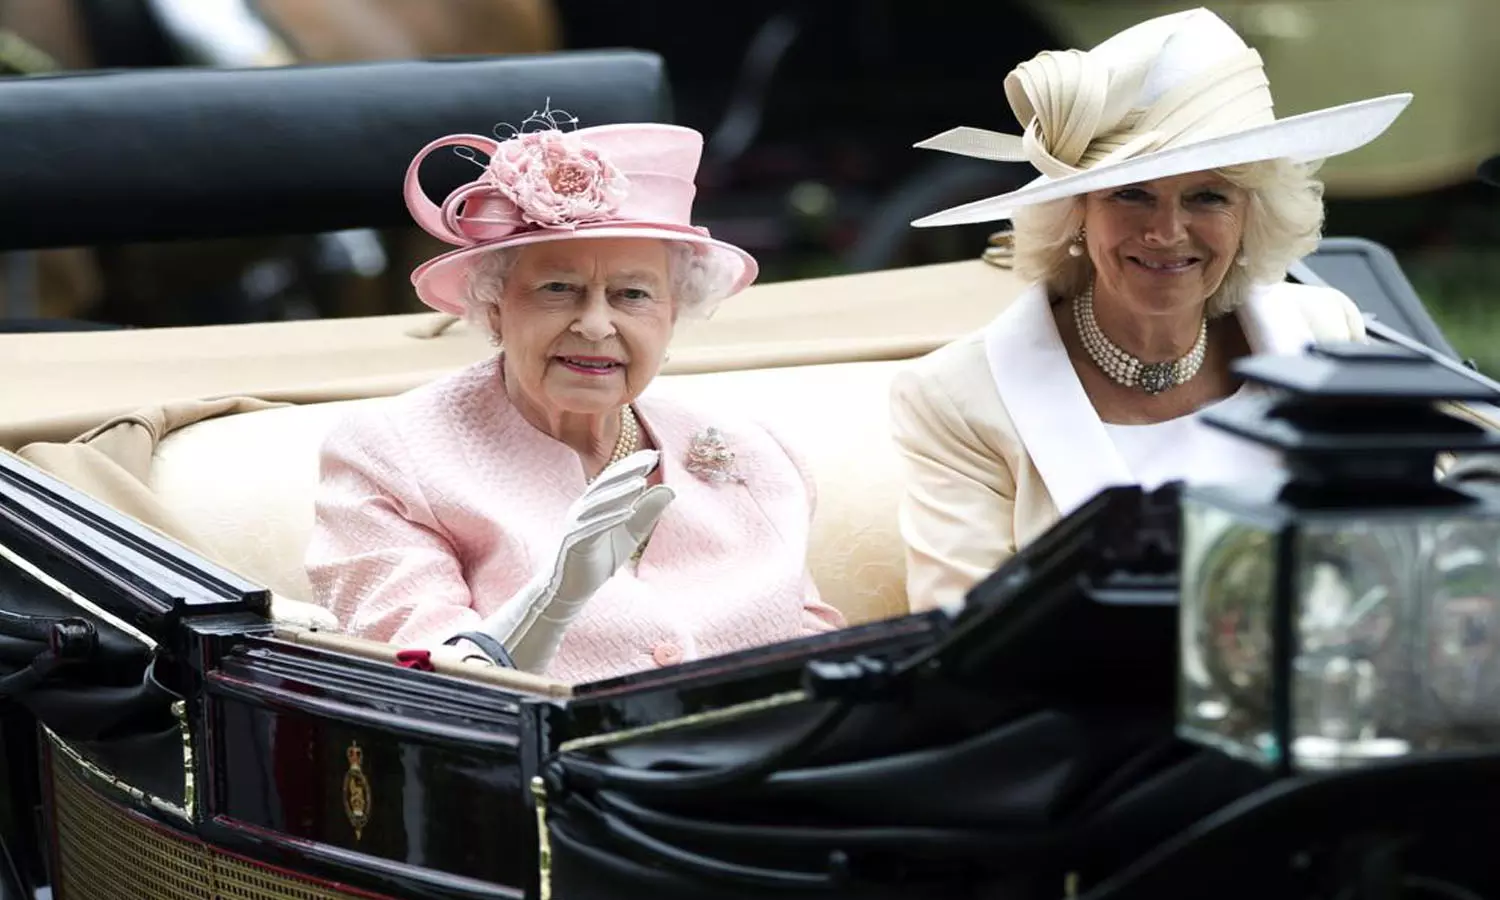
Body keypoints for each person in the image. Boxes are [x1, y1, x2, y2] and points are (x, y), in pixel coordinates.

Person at [889, 8, 1414, 613]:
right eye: (1132, 194)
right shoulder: (957, 399)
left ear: (1251, 215)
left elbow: (1392, 557)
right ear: (1077, 213)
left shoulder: (1326, 332)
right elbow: (962, 633)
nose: (1166, 232)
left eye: (1207, 196)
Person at [305, 111, 844, 683]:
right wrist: (544, 608)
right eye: (558, 288)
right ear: (494, 305)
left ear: (673, 313)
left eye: (632, 294)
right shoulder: (392, 457)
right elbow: (426, 681)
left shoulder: (755, 452)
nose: (595, 324)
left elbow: (823, 656)